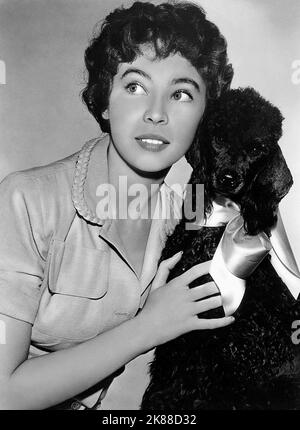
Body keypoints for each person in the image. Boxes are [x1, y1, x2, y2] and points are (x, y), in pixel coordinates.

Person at [0, 1, 236, 410]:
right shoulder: (27, 200)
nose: (156, 114)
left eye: (180, 94)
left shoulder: (190, 214)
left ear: (204, 118)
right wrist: (149, 328)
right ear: (105, 100)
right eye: (135, 86)